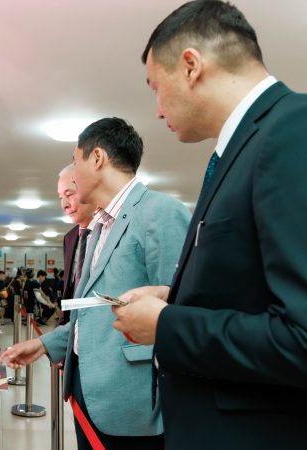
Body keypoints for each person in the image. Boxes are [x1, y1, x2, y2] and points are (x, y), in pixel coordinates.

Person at [112, 2, 307, 450]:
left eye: (156, 88)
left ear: (191, 66)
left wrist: (167, 324)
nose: (157, 111)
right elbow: (251, 291)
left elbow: (300, 337)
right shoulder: (240, 150)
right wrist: (174, 297)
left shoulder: (291, 130)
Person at [0, 118, 190, 450]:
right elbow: (93, 308)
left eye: (75, 162)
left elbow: (181, 314)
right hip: (88, 389)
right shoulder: (100, 225)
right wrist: (45, 344)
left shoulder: (160, 212)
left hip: (134, 403)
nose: (73, 174)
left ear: (97, 158)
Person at [58, 164, 97, 325]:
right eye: (60, 197)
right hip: (73, 328)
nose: (64, 205)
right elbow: (70, 289)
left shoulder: (113, 230)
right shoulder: (70, 238)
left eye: (69, 194)